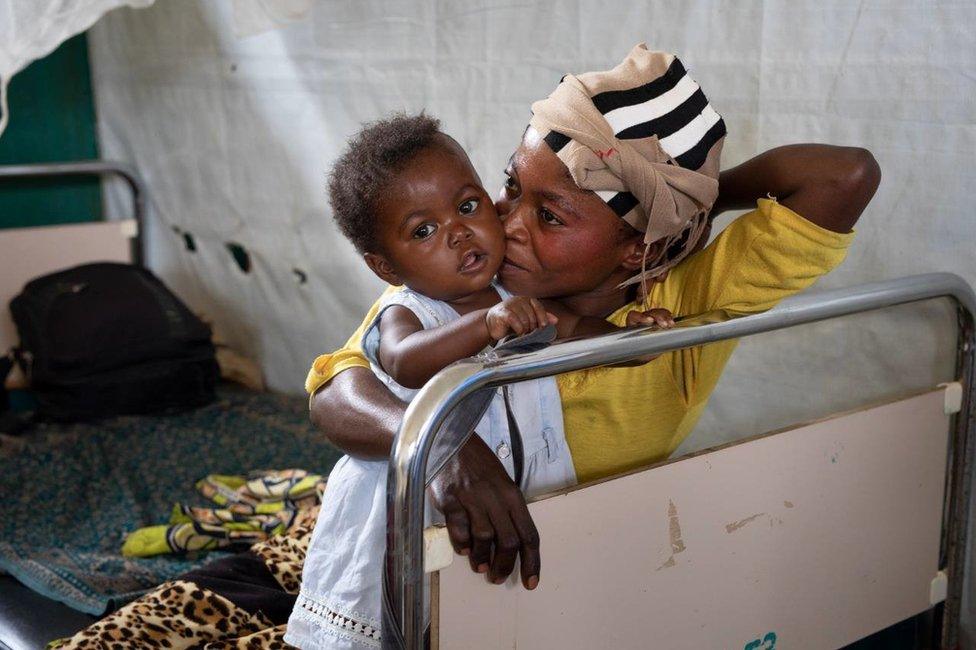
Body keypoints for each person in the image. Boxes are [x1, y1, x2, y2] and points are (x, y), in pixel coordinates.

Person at [54, 44, 879, 648]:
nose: (505, 223)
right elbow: (338, 391)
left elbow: (845, 176)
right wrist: (442, 450)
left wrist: (676, 196)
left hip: (561, 562)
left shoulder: (689, 303)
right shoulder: (463, 291)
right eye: (512, 187)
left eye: (551, 214)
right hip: (409, 526)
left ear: (634, 247)